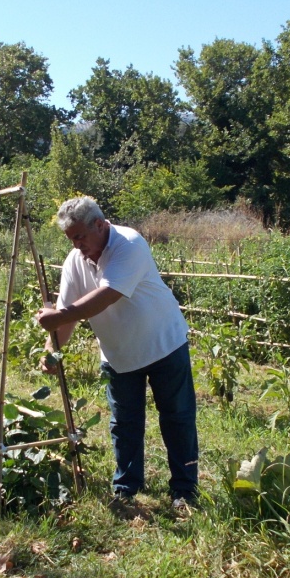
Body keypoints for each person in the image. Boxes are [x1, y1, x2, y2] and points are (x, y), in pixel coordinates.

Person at [35, 196, 199, 511]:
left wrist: (56, 318)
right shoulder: (75, 261)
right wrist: (52, 351)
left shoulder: (129, 244)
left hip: (164, 344)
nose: (76, 245)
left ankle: (184, 491)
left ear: (100, 224)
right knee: (124, 422)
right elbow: (66, 311)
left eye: (80, 236)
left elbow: (106, 296)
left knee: (177, 418)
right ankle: (126, 487)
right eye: (71, 239)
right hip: (120, 354)